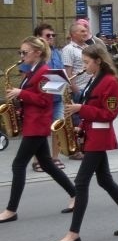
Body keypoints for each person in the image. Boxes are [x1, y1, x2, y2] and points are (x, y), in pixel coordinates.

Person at [49, 45, 118, 241]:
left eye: (86, 62)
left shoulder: (110, 82)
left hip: (99, 137)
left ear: (98, 61)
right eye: (82, 62)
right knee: (105, 180)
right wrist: (80, 127)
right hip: (91, 134)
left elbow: (109, 114)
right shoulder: (94, 79)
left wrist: (81, 109)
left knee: (81, 183)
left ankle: (73, 234)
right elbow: (94, 107)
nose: (83, 66)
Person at [0, 37, 76, 223]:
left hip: (38, 125)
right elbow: (35, 97)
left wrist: (21, 93)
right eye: (21, 52)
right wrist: (19, 102)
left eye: (24, 52)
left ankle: (11, 210)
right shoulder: (32, 71)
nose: (21, 56)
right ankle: (76, 194)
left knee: (18, 165)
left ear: (37, 53)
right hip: (32, 122)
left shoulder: (46, 72)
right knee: (48, 164)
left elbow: (45, 101)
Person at [32, 23, 66, 170]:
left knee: (57, 127)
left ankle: (55, 158)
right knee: (40, 130)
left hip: (57, 97)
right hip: (41, 98)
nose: (51, 38)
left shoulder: (57, 52)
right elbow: (27, 75)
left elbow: (61, 71)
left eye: (53, 35)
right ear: (39, 37)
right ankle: (37, 160)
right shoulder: (33, 53)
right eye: (48, 35)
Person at [62, 22, 91, 160]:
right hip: (78, 89)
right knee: (76, 120)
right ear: (73, 34)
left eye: (86, 31)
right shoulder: (69, 49)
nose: (85, 33)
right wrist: (75, 89)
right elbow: (68, 72)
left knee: (85, 119)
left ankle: (85, 146)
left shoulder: (87, 47)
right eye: (82, 31)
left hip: (89, 88)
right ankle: (75, 150)